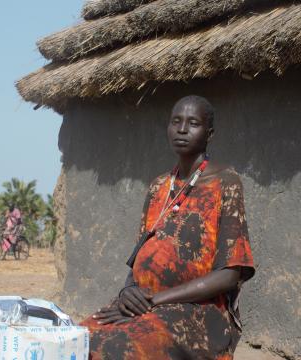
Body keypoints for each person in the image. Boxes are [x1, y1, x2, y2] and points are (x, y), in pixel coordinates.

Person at [81, 95, 255, 359]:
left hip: (198, 312)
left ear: (209, 134)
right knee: (81, 338)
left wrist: (155, 301)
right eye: (176, 122)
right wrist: (128, 292)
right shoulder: (159, 186)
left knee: (119, 347)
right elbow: (140, 255)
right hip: (143, 303)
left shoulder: (225, 183)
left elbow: (230, 274)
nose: (182, 129)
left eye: (193, 123)